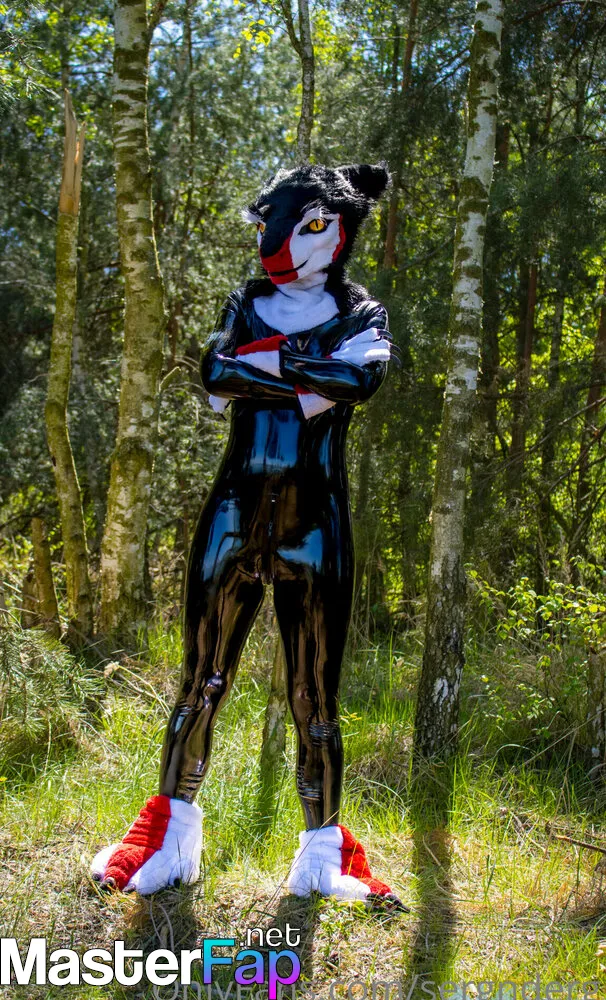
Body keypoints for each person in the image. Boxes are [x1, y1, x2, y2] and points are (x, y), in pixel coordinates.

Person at [91, 163, 403, 908]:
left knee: (314, 697)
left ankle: (323, 854)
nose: (283, 246)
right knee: (199, 681)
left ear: (339, 230)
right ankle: (169, 840)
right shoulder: (247, 302)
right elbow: (212, 370)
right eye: (273, 227)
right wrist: (307, 378)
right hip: (231, 513)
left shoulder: (362, 312)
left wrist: (264, 363)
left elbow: (359, 383)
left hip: (316, 523)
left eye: (312, 227)